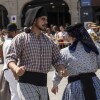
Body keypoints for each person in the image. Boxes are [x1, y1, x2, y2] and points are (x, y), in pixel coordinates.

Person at [6, 6, 67, 100]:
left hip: (43, 84)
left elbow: (57, 59)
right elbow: (10, 58)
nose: (46, 22)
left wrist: (61, 69)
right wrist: (16, 68)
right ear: (34, 20)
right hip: (26, 83)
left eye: (46, 19)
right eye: (43, 19)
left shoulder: (49, 41)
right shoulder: (21, 38)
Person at [51, 23, 100, 100]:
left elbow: (60, 69)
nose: (66, 36)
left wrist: (55, 84)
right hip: (93, 84)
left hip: (75, 86)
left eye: (67, 35)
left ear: (72, 36)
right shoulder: (94, 48)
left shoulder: (65, 52)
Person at [2, 23, 20, 100]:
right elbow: (12, 59)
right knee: (18, 93)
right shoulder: (11, 43)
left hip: (7, 70)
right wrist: (15, 72)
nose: (17, 34)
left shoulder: (6, 41)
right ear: (13, 32)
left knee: (14, 93)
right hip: (11, 70)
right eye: (16, 31)